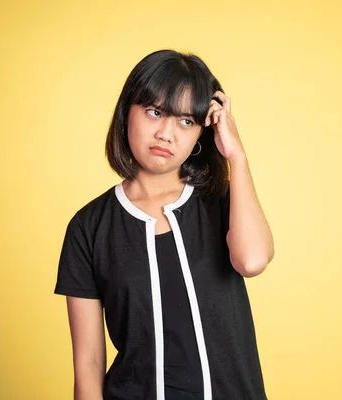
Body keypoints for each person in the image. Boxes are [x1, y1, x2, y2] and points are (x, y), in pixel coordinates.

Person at [54, 49, 274, 400]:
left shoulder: (221, 203)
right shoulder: (89, 227)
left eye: (186, 121)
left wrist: (237, 156)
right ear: (128, 111)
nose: (166, 134)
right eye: (155, 112)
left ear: (203, 130)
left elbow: (252, 261)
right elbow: (89, 363)